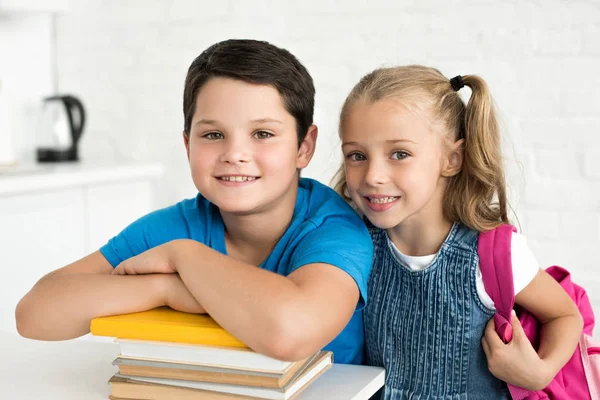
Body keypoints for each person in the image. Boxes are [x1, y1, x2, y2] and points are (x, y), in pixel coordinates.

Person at [15, 39, 373, 365]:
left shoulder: (332, 229)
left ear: (304, 147)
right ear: (188, 145)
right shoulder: (179, 225)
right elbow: (35, 314)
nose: (235, 154)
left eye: (262, 134)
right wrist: (164, 287)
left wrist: (184, 259)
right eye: (213, 135)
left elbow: (291, 333)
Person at [332, 65, 583, 397]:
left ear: (452, 159)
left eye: (400, 154)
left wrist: (539, 372)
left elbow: (565, 314)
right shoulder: (352, 243)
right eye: (357, 155)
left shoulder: (493, 255)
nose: (373, 175)